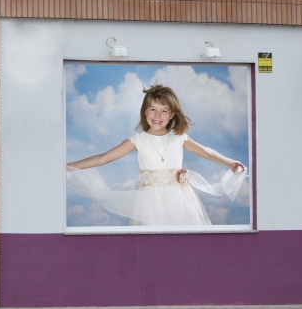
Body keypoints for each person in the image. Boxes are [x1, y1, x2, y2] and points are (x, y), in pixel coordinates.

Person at [66, 85, 246, 226]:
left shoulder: (178, 138)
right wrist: (70, 166)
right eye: (152, 109)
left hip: (180, 201)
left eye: (164, 111)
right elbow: (104, 158)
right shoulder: (138, 140)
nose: (157, 115)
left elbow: (207, 152)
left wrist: (230, 162)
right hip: (149, 203)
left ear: (172, 115)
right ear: (145, 112)